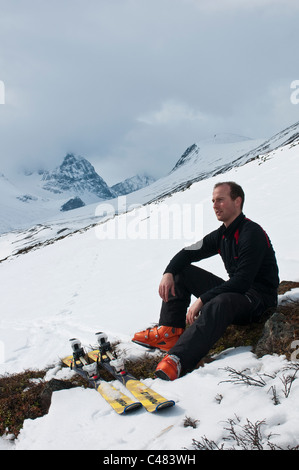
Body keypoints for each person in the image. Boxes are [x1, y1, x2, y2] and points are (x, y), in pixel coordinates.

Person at [132, 181, 279, 380]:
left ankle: (178, 359)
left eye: (220, 200)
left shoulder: (251, 233)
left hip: (258, 301)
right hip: (238, 293)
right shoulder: (222, 235)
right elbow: (187, 253)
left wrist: (203, 299)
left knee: (219, 301)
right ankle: (169, 331)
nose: (215, 206)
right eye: (213, 201)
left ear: (237, 201)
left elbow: (243, 281)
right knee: (181, 272)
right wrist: (168, 272)